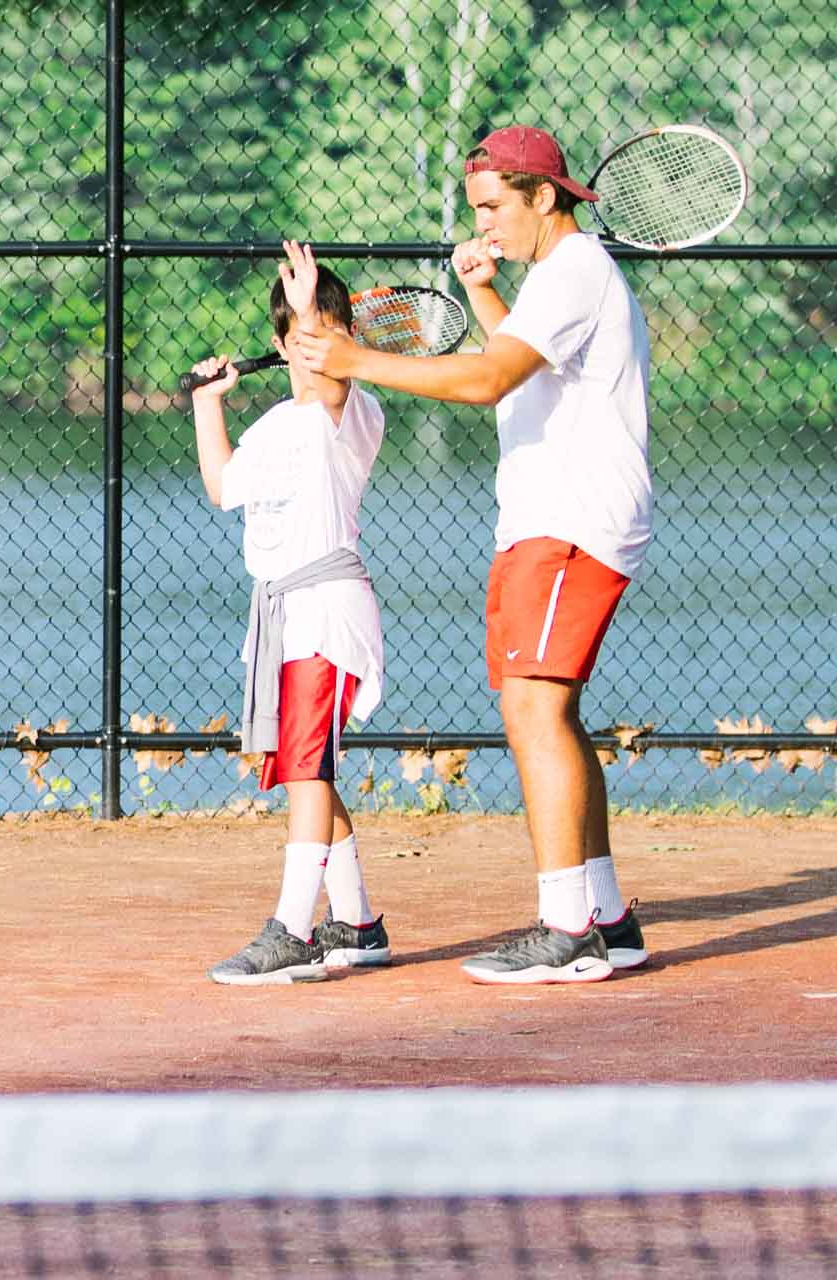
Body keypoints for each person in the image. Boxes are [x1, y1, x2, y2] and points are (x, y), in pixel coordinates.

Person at [283, 126, 652, 985]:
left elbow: (486, 381)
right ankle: (606, 915)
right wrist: (486, 295)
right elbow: (520, 363)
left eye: (493, 207)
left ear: (544, 197)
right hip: (553, 520)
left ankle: (569, 928)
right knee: (549, 708)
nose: (483, 225)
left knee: (533, 709)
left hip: (571, 521)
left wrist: (353, 358)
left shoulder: (573, 271)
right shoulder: (560, 281)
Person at [187, 240, 394, 985]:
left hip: (326, 611)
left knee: (309, 769)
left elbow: (331, 384)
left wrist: (311, 311)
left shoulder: (351, 412)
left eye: (333, 333)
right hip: (280, 616)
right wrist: (207, 403)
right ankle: (358, 923)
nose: (317, 348)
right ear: (280, 346)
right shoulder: (277, 423)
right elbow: (222, 486)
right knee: (310, 772)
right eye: (302, 337)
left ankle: (291, 931)